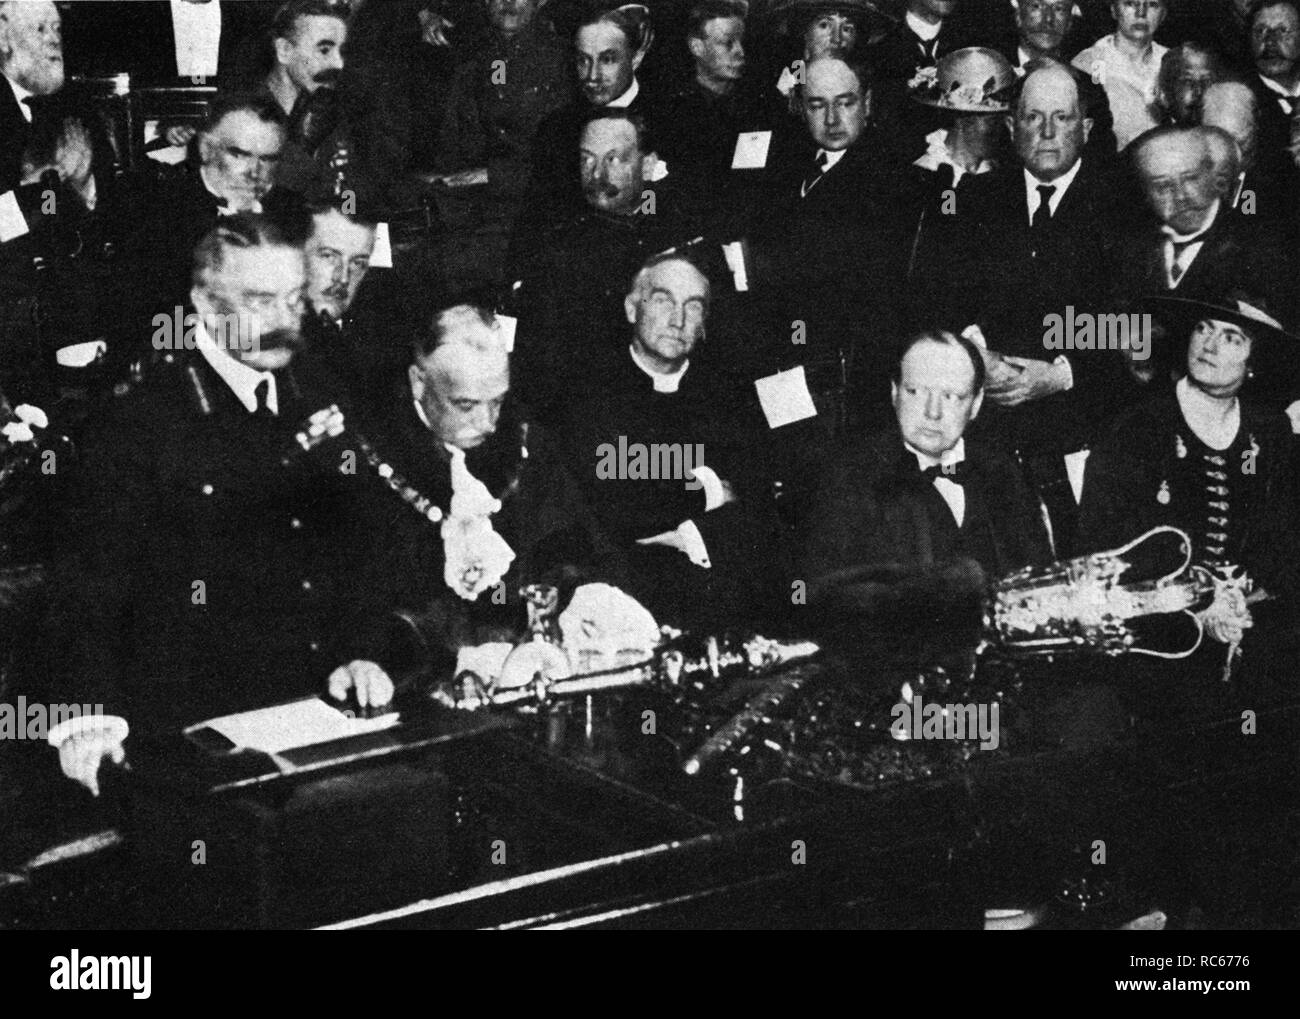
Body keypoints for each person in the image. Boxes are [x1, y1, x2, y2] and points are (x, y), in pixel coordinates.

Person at [46, 214, 386, 795]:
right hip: (189, 728)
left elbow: (351, 540)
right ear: (203, 305)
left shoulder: (318, 382)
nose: (283, 322)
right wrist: (86, 718)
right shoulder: (140, 422)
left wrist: (361, 650)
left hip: (315, 707)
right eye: (259, 302)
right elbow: (87, 588)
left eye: (295, 300)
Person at [346, 301, 624, 673]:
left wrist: (583, 599)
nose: (487, 423)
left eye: (497, 401)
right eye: (465, 405)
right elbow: (363, 611)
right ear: (419, 381)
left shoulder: (527, 446)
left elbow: (573, 551)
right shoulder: (364, 460)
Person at [938, 63, 1131, 554]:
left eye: (1062, 118)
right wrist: (977, 353)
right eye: (1032, 118)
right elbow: (942, 299)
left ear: (1086, 128)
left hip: (1083, 430)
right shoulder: (974, 202)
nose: (1046, 133)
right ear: (1010, 126)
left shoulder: (1123, 206)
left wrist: (1061, 372)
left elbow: (1136, 326)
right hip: (989, 432)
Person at [556, 251, 781, 629]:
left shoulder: (732, 397)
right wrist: (709, 489)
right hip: (625, 595)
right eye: (663, 301)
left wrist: (686, 534)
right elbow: (613, 509)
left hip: (723, 590)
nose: (677, 320)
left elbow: (760, 504)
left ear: (704, 322)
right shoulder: (588, 395)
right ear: (632, 308)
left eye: (692, 307)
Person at [743, 54, 924, 431]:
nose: (832, 119)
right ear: (800, 108)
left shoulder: (896, 181)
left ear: (868, 103)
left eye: (845, 102)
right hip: (786, 368)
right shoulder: (789, 167)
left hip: (848, 382)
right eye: (817, 105)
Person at [429, 0, 569, 292]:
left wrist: (494, 175)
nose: (507, 2)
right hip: (476, 214)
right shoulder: (475, 61)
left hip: (537, 214)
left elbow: (566, 161)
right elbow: (452, 150)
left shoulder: (566, 61)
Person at [1071, 0, 1169, 151]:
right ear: (1114, 10)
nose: (1141, 13)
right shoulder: (1092, 62)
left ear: (1163, 14)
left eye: (1152, 5)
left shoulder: (1173, 63)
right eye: (1130, 3)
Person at [1153, 41, 1229, 126]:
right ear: (1164, 92)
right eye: (1188, 81)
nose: (1199, 91)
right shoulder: (1155, 138)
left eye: (1206, 81)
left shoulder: (1225, 136)